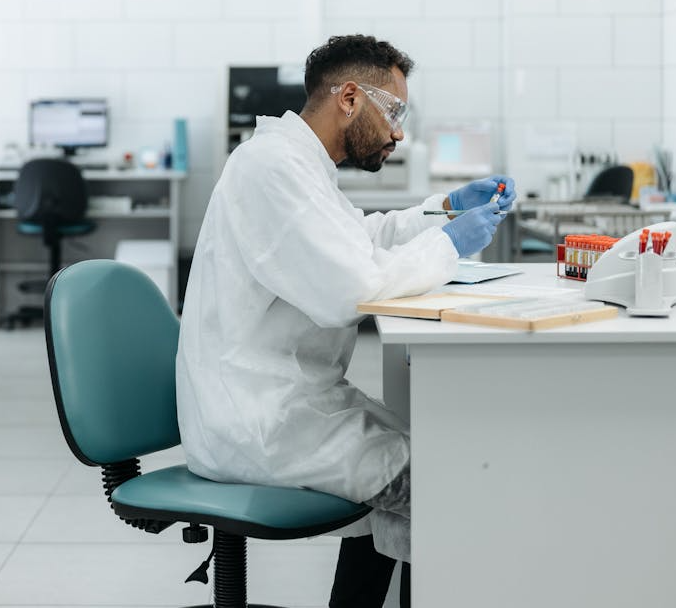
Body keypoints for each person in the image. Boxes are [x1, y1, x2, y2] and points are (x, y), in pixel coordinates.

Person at [174, 34, 516, 607]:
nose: (399, 133)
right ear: (351, 98)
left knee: (431, 456)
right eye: (395, 112)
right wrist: (449, 244)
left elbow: (359, 239)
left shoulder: (297, 163)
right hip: (258, 421)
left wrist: (444, 211)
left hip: (288, 403)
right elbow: (351, 289)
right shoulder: (271, 167)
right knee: (450, 479)